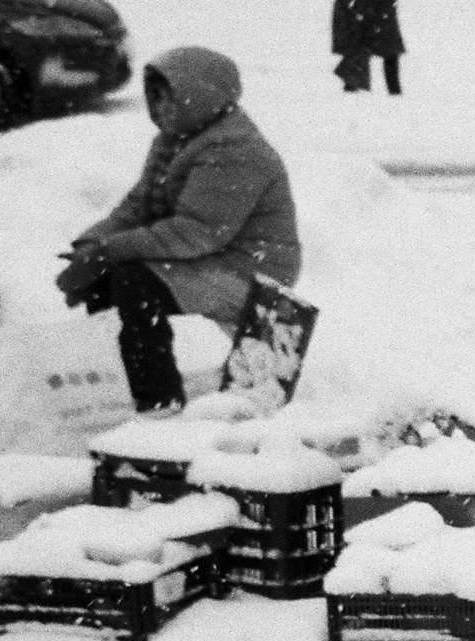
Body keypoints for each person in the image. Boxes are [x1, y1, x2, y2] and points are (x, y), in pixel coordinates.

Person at [55, 48, 300, 414]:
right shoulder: (177, 140)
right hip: (210, 258)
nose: (159, 109)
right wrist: (91, 244)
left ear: (200, 97)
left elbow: (198, 231)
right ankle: (119, 388)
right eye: (153, 99)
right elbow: (138, 208)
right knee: (108, 280)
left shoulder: (237, 149)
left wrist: (110, 251)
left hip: (249, 269)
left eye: (168, 98)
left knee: (134, 281)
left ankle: (158, 404)